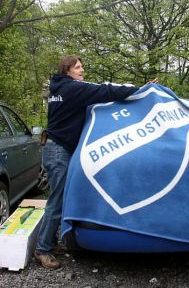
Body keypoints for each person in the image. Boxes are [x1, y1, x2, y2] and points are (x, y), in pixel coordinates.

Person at [35, 55, 157, 269]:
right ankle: (42, 249)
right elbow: (105, 90)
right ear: (67, 71)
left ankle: (51, 243)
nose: (82, 70)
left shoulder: (59, 89)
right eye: (78, 67)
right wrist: (140, 90)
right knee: (57, 201)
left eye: (82, 66)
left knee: (59, 198)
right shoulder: (73, 89)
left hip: (55, 147)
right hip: (58, 151)